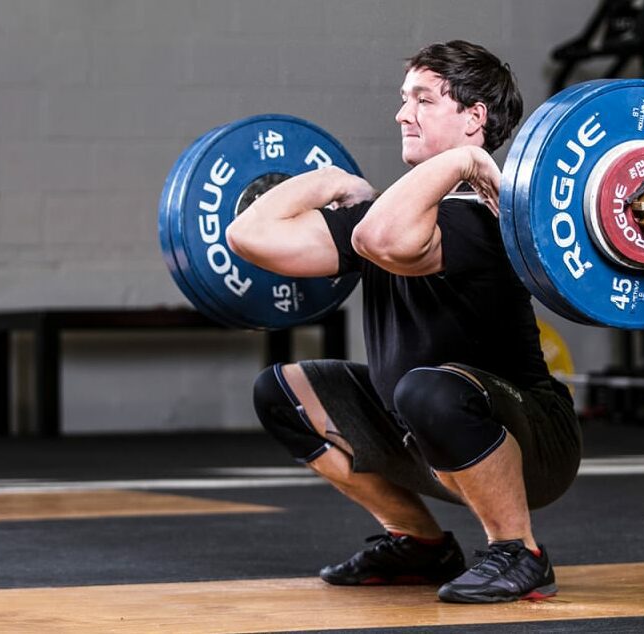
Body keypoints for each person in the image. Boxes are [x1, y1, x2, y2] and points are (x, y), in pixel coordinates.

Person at [226, 40, 581, 604]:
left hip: (532, 438)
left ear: (474, 118)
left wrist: (462, 163)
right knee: (281, 391)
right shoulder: (397, 211)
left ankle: (519, 551)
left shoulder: (491, 216)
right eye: (403, 98)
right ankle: (419, 543)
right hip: (417, 426)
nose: (401, 113)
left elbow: (377, 239)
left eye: (422, 99)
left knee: (428, 388)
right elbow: (248, 235)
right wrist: (333, 180)